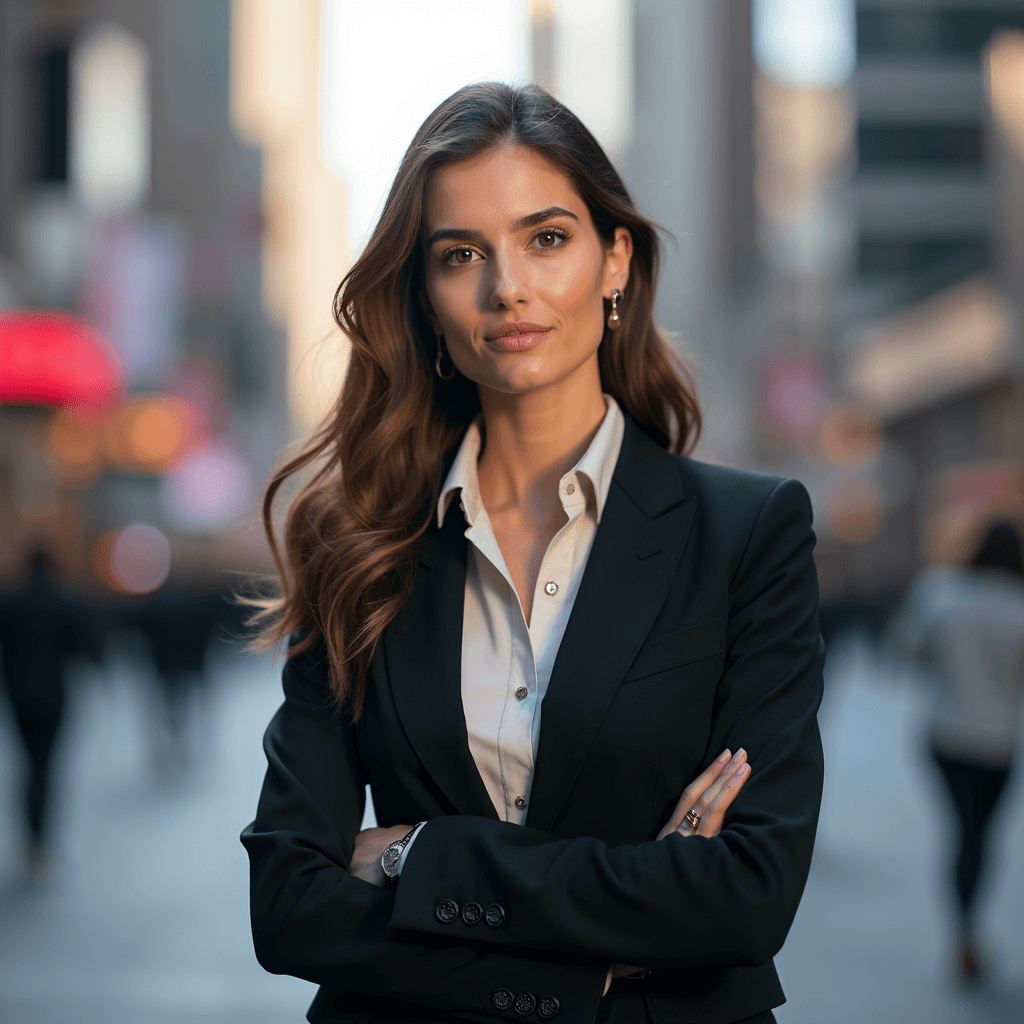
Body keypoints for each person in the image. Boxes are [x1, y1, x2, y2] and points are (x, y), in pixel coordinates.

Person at [241, 83, 824, 1024]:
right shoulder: (355, 541)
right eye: (459, 254)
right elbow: (289, 906)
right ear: (426, 301)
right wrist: (596, 949)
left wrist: (413, 855)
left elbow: (746, 895)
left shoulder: (747, 535)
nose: (505, 285)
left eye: (545, 238)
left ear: (614, 260)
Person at [888, 521, 1024, 984]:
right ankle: (968, 936)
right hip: (999, 742)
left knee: (964, 833)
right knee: (980, 837)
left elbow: (905, 651)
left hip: (945, 734)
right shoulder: (1018, 605)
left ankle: (963, 935)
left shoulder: (939, 592)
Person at [0, 548, 94, 875]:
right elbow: (85, 647)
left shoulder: (9, 602)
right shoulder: (65, 602)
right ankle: (43, 843)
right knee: (47, 767)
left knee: (26, 765)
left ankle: (30, 840)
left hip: (18, 695)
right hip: (55, 696)